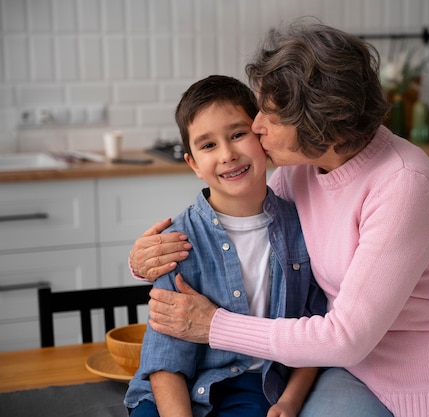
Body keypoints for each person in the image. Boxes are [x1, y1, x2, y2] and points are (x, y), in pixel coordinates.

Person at [129, 18, 429, 417]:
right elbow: (246, 223)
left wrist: (214, 325)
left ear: (320, 128)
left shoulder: (403, 183)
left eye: (272, 117)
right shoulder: (301, 167)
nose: (256, 125)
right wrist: (151, 254)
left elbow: (344, 337)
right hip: (357, 369)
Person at [124, 74, 327, 417]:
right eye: (208, 145)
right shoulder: (177, 241)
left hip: (253, 384)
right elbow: (165, 359)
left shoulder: (302, 228)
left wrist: (290, 402)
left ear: (261, 136)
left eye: (237, 134)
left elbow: (314, 329)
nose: (227, 154)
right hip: (172, 388)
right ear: (193, 165)